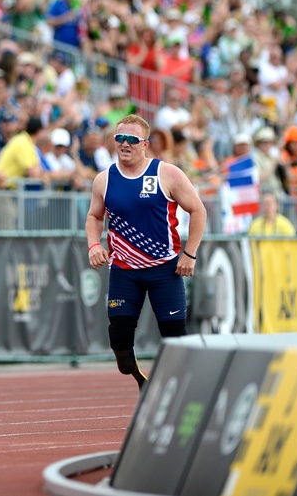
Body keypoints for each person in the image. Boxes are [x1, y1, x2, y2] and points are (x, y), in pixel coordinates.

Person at [85, 114, 207, 391]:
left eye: (132, 140)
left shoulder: (167, 173)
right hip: (124, 271)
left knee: (175, 337)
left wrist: (189, 254)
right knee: (120, 343)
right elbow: (94, 216)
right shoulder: (104, 180)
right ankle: (142, 380)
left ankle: (180, 391)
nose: (125, 144)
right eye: (119, 138)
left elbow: (198, 210)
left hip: (164, 269)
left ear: (145, 145)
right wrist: (94, 244)